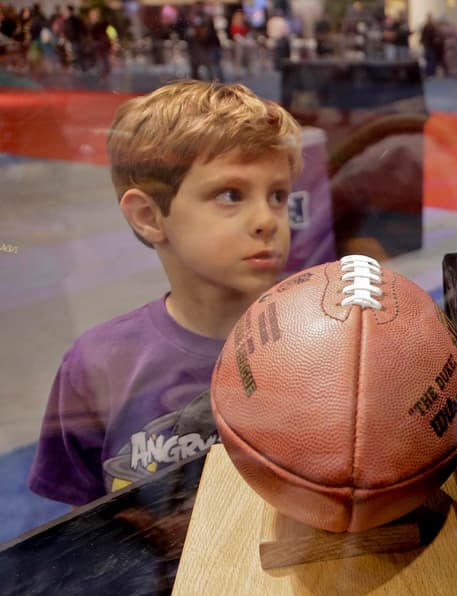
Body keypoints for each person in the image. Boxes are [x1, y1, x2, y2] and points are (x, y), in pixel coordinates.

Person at [27, 81, 302, 507]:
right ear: (148, 216)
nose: (267, 220)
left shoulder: (321, 342)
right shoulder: (99, 365)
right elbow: (86, 531)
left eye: (278, 196)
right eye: (231, 195)